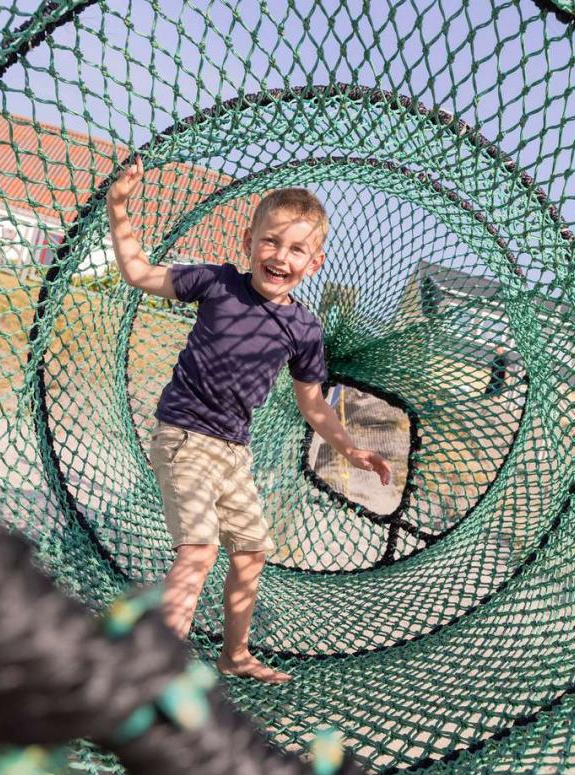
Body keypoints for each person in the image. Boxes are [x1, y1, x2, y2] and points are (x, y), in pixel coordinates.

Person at [106, 158, 391, 684]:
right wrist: (119, 206)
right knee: (199, 547)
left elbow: (313, 404)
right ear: (248, 241)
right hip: (183, 435)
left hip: (234, 450)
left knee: (252, 548)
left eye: (296, 249)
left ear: (315, 262)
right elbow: (139, 273)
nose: (280, 256)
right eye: (271, 242)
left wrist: (350, 449)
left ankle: (234, 654)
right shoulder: (217, 285)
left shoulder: (304, 328)